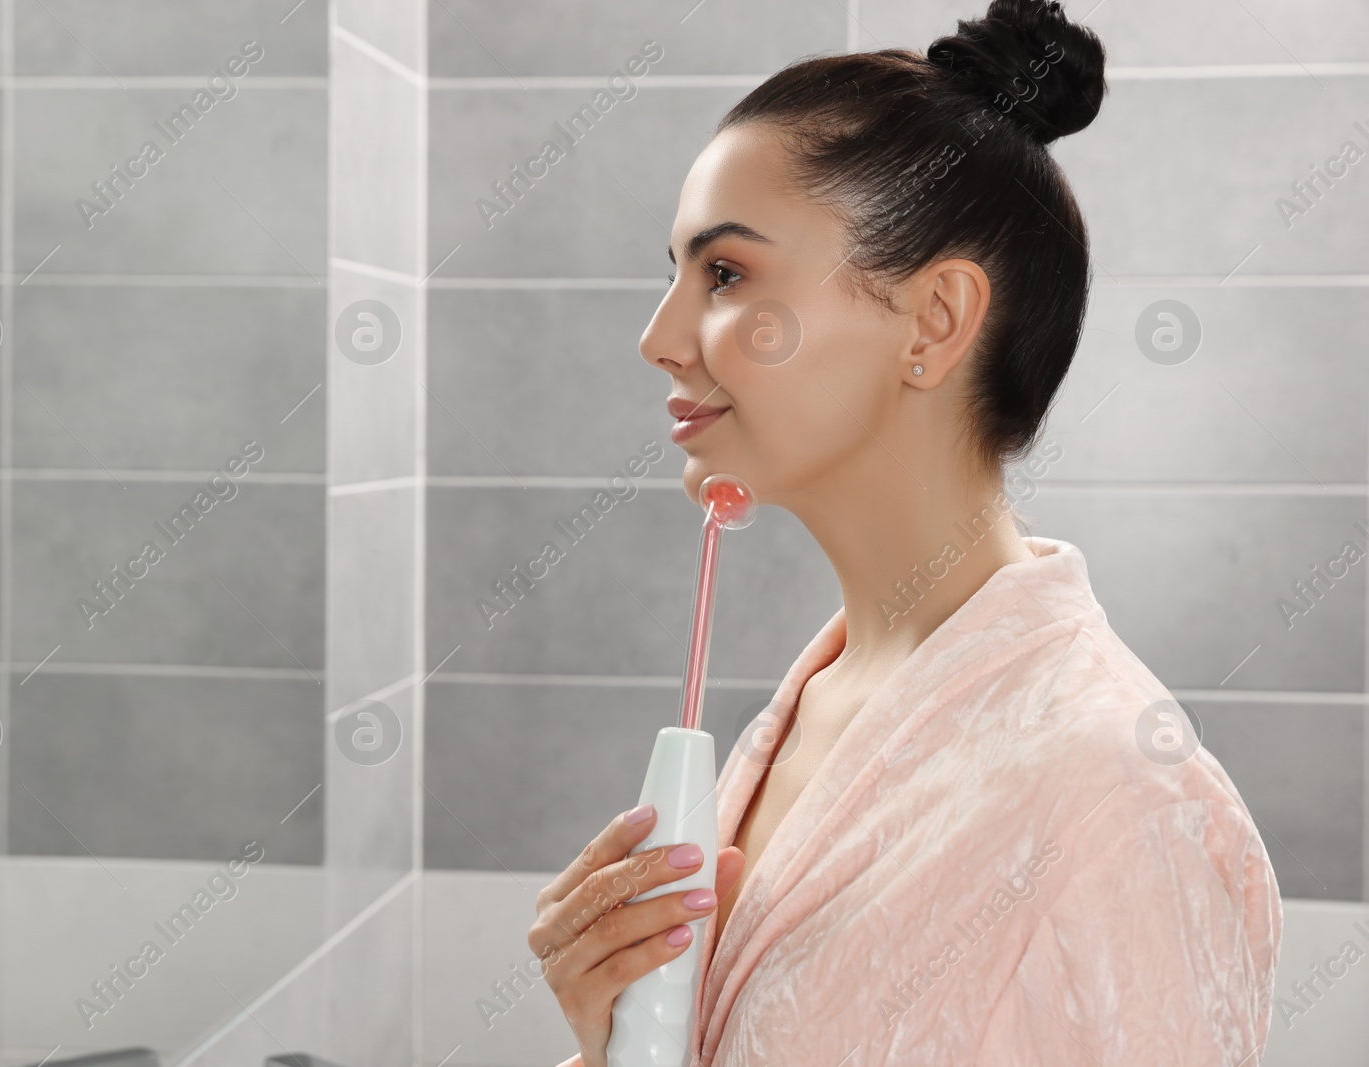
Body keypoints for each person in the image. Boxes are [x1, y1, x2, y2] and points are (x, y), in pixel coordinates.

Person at [527, 1, 1282, 1064]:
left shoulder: (1118, 799)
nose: (658, 339)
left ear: (931, 322)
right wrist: (615, 1041)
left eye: (727, 274)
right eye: (676, 274)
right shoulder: (818, 705)